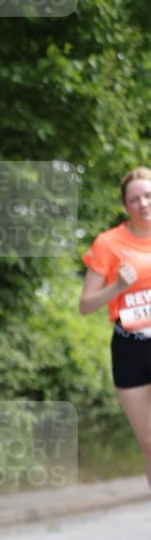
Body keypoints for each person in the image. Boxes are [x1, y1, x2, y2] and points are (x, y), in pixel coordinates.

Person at [79, 166, 151, 488]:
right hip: (129, 347)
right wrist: (118, 286)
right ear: (126, 206)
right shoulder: (108, 244)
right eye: (135, 199)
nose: (144, 203)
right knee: (149, 446)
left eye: (149, 196)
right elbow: (85, 306)